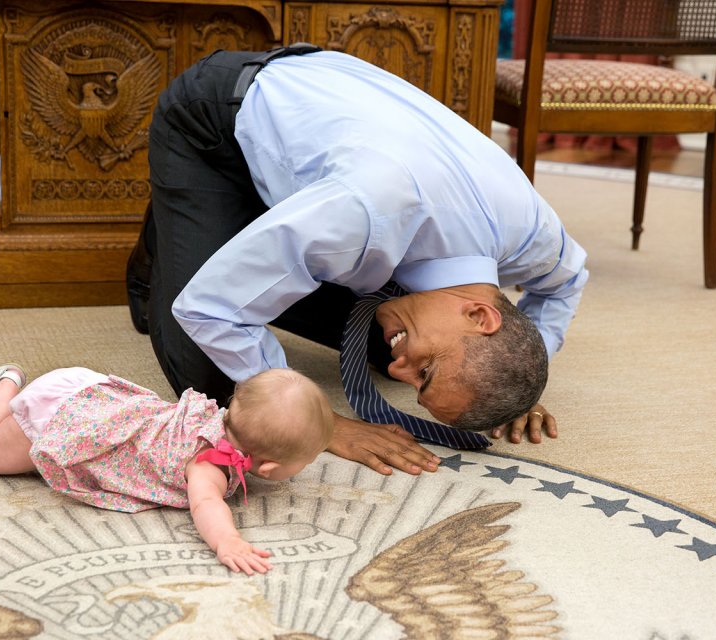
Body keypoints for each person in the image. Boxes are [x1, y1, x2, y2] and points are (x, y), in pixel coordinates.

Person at [126, 45, 588, 477]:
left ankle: (226, 231)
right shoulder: (367, 213)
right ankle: (177, 225)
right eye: (424, 374)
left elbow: (567, 282)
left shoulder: (533, 234)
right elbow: (209, 308)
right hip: (214, 120)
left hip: (330, 158)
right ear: (479, 314)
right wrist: (320, 422)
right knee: (218, 383)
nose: (397, 374)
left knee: (374, 339)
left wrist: (516, 381)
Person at [0, 363, 333, 575]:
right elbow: (206, 505)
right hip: (66, 418)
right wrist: (227, 540)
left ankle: (7, 398)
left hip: (95, 395)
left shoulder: (215, 417)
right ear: (270, 465)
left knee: (0, 448)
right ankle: (1, 386)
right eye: (308, 460)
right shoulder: (209, 462)